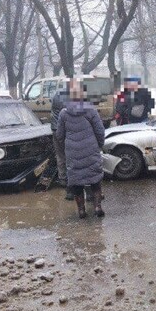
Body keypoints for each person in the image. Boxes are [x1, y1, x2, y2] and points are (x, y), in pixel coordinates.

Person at [56, 78, 106, 218]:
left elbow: (59, 135)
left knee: (77, 183)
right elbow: (100, 131)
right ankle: (97, 207)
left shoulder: (64, 113)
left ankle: (82, 211)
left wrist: (67, 144)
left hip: (72, 152)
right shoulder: (91, 110)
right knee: (95, 179)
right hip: (91, 149)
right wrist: (99, 145)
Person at [51, 83, 70, 198]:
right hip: (66, 129)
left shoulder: (55, 95)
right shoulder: (69, 97)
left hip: (55, 128)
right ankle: (70, 178)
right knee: (69, 154)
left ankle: (62, 179)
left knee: (60, 155)